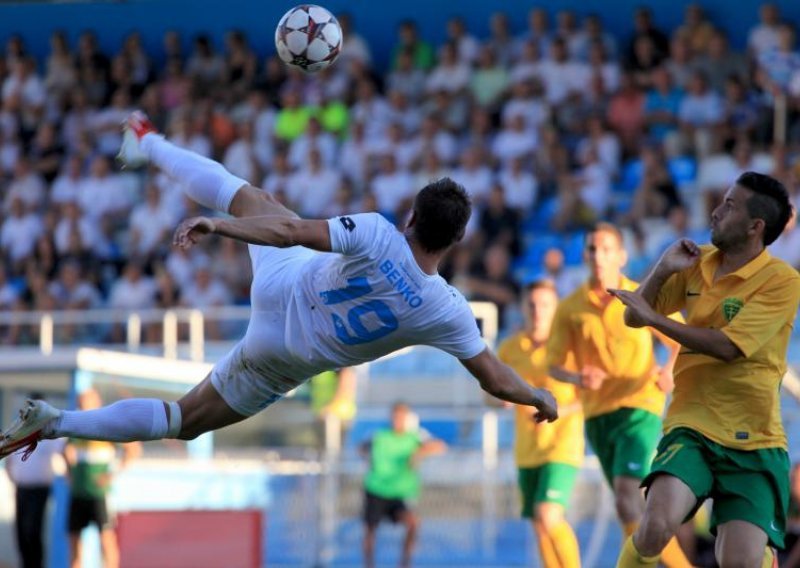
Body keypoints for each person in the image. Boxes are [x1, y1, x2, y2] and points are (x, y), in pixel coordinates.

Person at [0, 111, 557, 461]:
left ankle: (148, 142)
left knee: (253, 199)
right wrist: (537, 395)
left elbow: (292, 231)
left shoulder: (377, 233)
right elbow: (494, 377)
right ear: (457, 239)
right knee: (182, 422)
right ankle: (58, 425)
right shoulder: (447, 310)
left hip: (284, 285)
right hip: (284, 354)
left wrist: (221, 226)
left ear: (411, 216)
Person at [611, 171, 800, 568]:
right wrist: (663, 268)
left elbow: (729, 347)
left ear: (755, 226)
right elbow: (633, 317)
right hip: (692, 426)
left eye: (729, 205)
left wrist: (656, 320)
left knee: (741, 563)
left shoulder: (782, 281)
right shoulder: (695, 262)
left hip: (756, 442)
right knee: (656, 526)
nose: (715, 212)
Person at [546, 222, 692, 568]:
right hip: (597, 415)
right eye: (593, 249)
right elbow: (554, 366)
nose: (599, 256)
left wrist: (669, 369)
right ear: (585, 255)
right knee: (631, 507)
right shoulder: (570, 308)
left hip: (640, 406)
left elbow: (682, 339)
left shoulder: (644, 294)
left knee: (628, 497)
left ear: (622, 256)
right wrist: (577, 376)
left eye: (607, 249)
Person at [496, 280, 583, 568]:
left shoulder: (569, 348)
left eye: (545, 304)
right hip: (527, 450)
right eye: (532, 304)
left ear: (555, 308)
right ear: (522, 307)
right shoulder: (509, 349)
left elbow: (590, 396)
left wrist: (560, 411)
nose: (538, 311)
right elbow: (488, 393)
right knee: (539, 524)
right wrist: (499, 399)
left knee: (548, 514)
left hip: (561, 446)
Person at [360, 402, 446, 568]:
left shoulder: (416, 436)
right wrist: (369, 458)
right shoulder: (379, 435)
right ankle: (369, 565)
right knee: (370, 530)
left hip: (399, 494)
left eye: (401, 417)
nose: (397, 420)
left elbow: (439, 446)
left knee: (413, 523)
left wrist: (418, 453)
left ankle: (405, 564)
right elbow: (362, 448)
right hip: (376, 489)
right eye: (395, 417)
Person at [65, 389, 141, 568]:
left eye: (86, 403)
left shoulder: (107, 426)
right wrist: (70, 473)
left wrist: (111, 475)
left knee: (106, 539)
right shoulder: (75, 428)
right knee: (74, 542)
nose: (82, 407)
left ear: (96, 403)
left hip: (99, 493)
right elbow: (66, 451)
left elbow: (133, 450)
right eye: (80, 403)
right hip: (78, 492)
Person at [5, 393, 65, 568]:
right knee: (21, 533)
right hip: (21, 488)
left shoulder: (49, 433)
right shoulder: (19, 432)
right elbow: (10, 458)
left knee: (32, 531)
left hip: (38, 489)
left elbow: (65, 451)